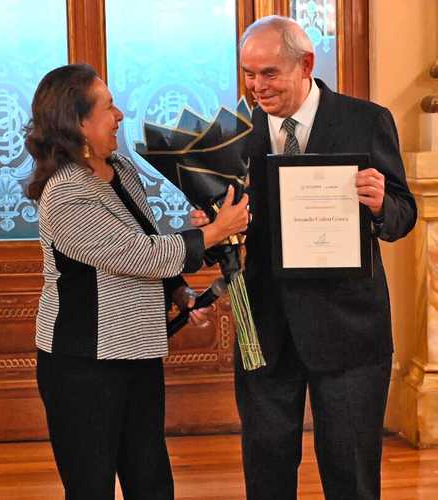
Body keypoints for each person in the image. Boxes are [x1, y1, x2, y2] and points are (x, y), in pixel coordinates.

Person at [192, 15, 417, 500]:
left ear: (306, 65)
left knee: (352, 476)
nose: (256, 87)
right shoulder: (232, 135)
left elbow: (403, 216)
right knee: (266, 473)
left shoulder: (367, 120)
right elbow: (223, 231)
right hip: (265, 329)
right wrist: (208, 228)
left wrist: (381, 203)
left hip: (351, 332)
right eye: (249, 74)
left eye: (269, 73)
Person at [25, 63, 249, 500]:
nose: (121, 114)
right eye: (108, 107)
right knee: (91, 488)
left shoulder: (121, 170)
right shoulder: (66, 192)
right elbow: (136, 256)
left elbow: (144, 240)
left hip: (138, 352)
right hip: (82, 364)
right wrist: (214, 232)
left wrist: (180, 291)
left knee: (151, 483)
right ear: (79, 123)